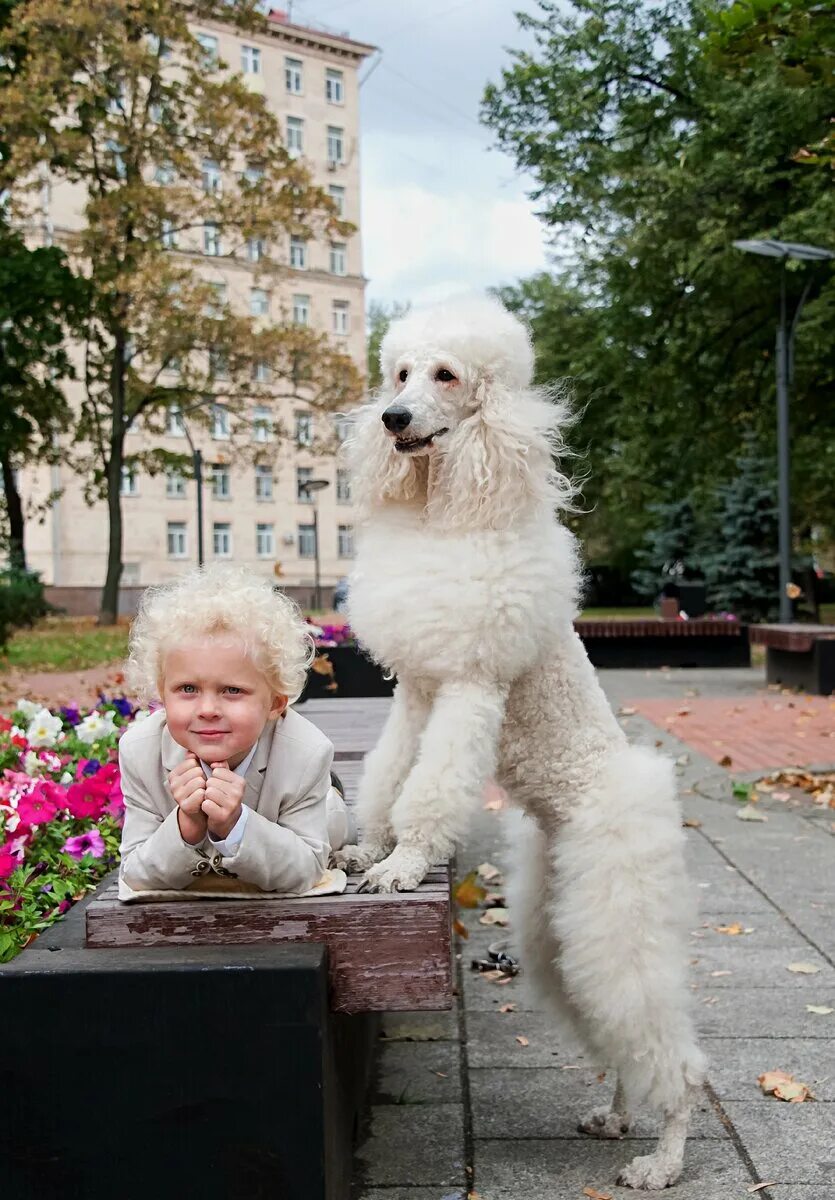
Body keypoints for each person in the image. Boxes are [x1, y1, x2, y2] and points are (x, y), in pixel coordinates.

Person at [118, 563, 348, 896]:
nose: (208, 710)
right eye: (187, 689)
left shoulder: (306, 752)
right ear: (162, 691)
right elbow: (135, 874)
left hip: (315, 811)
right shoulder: (141, 751)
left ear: (275, 702)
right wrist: (188, 827)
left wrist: (235, 824)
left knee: (335, 822)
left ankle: (332, 792)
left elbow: (306, 870)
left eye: (232, 691)